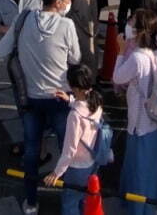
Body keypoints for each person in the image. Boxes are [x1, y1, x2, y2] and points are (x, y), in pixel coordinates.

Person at [0, 0, 81, 214]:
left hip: (29, 99)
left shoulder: (23, 18)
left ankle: (31, 201)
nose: (69, 3)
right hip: (60, 100)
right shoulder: (67, 26)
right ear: (58, 2)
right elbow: (75, 58)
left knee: (32, 151)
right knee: (69, 151)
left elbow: (0, 51)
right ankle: (70, 202)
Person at [113, 9, 157, 215]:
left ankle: (139, 209)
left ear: (137, 31)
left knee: (139, 173)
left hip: (139, 123)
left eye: (131, 21)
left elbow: (118, 77)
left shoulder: (137, 58)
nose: (127, 24)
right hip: (155, 120)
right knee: (151, 170)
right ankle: (154, 206)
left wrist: (120, 51)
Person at [45, 65, 104, 215]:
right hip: (93, 161)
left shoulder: (74, 116)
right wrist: (70, 99)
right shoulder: (97, 101)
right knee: (86, 199)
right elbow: (84, 105)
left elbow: (69, 150)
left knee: (69, 203)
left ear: (75, 88)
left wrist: (56, 172)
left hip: (77, 168)